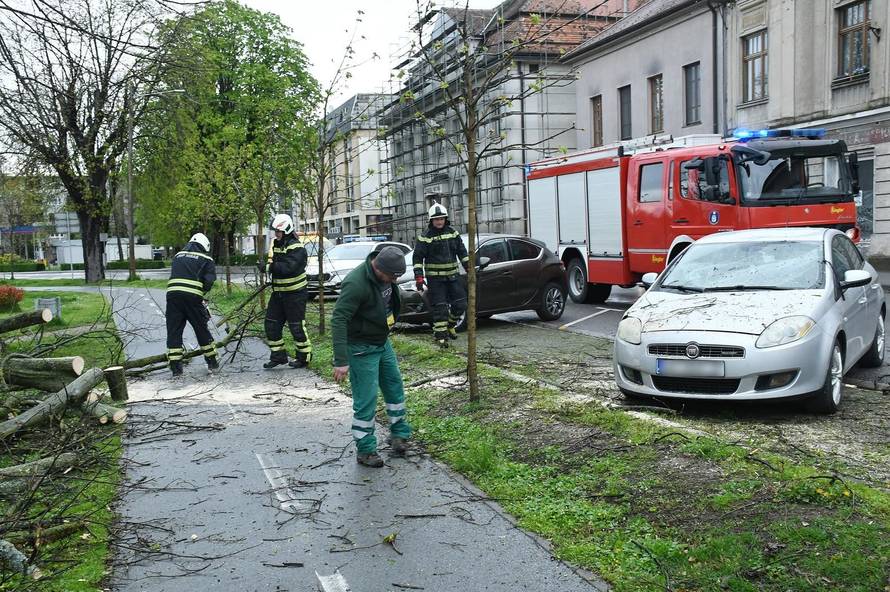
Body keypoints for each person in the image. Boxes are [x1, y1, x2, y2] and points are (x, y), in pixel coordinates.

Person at [331, 246, 411, 468]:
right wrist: (341, 360)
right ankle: (365, 450)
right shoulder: (356, 283)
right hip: (360, 347)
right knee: (366, 399)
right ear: (379, 268)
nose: (394, 281)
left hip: (381, 341)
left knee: (394, 385)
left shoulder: (387, 277)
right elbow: (338, 319)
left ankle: (399, 435)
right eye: (392, 276)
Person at [413, 202, 469, 346]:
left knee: (461, 304)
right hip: (436, 279)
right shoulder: (425, 237)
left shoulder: (453, 233)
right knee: (441, 308)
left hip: (453, 277)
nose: (439, 221)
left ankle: (450, 326)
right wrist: (419, 277)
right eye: (436, 219)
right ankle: (440, 336)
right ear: (431, 220)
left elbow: (462, 252)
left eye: (442, 219)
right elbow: (418, 258)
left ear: (446, 219)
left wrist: (469, 267)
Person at [261, 213, 312, 369]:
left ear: (287, 230)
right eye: (275, 231)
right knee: (271, 324)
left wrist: (269, 267)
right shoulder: (278, 244)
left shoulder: (296, 247)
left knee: (296, 326)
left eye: (278, 231)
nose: (276, 234)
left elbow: (288, 268)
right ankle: (278, 356)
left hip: (295, 294)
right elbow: (277, 264)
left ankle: (304, 357)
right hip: (279, 293)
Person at [166, 232, 218, 377]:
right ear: (204, 246)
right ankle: (212, 362)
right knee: (201, 329)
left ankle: (176, 368)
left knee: (174, 330)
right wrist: (202, 294)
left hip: (172, 297)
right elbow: (208, 282)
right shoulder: (207, 259)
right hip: (192, 299)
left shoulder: (177, 256)